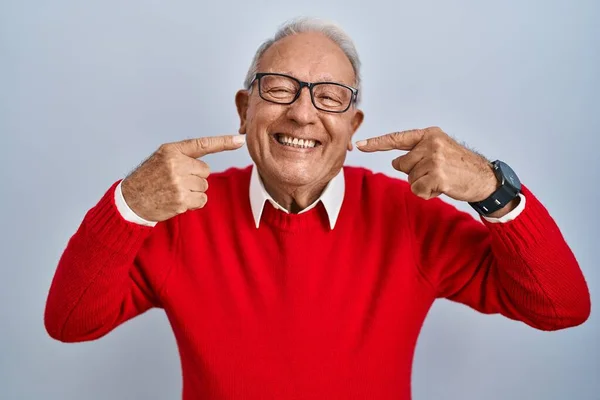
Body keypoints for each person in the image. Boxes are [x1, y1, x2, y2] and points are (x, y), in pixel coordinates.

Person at [44, 17, 591, 400]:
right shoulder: (183, 215)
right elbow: (70, 323)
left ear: (352, 126)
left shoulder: (409, 217)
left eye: (329, 97)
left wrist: (494, 190)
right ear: (244, 110)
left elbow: (561, 307)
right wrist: (128, 207)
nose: (303, 114)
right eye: (279, 89)